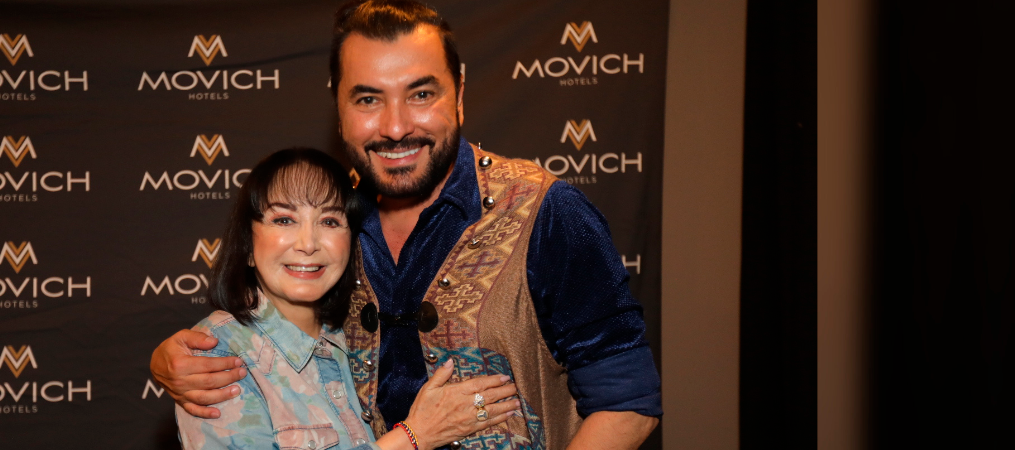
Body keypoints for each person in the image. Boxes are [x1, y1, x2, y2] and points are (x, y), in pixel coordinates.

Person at [154, 1, 662, 449]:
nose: (396, 127)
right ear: (339, 106)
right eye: (368, 99)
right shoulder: (332, 223)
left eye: (421, 94)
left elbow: (629, 404)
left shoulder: (547, 212)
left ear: (459, 91)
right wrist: (174, 361)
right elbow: (270, 349)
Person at [177, 148, 522, 450]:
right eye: (284, 219)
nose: (308, 243)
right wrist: (415, 435)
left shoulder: (358, 338)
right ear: (247, 247)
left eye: (329, 220)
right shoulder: (218, 357)